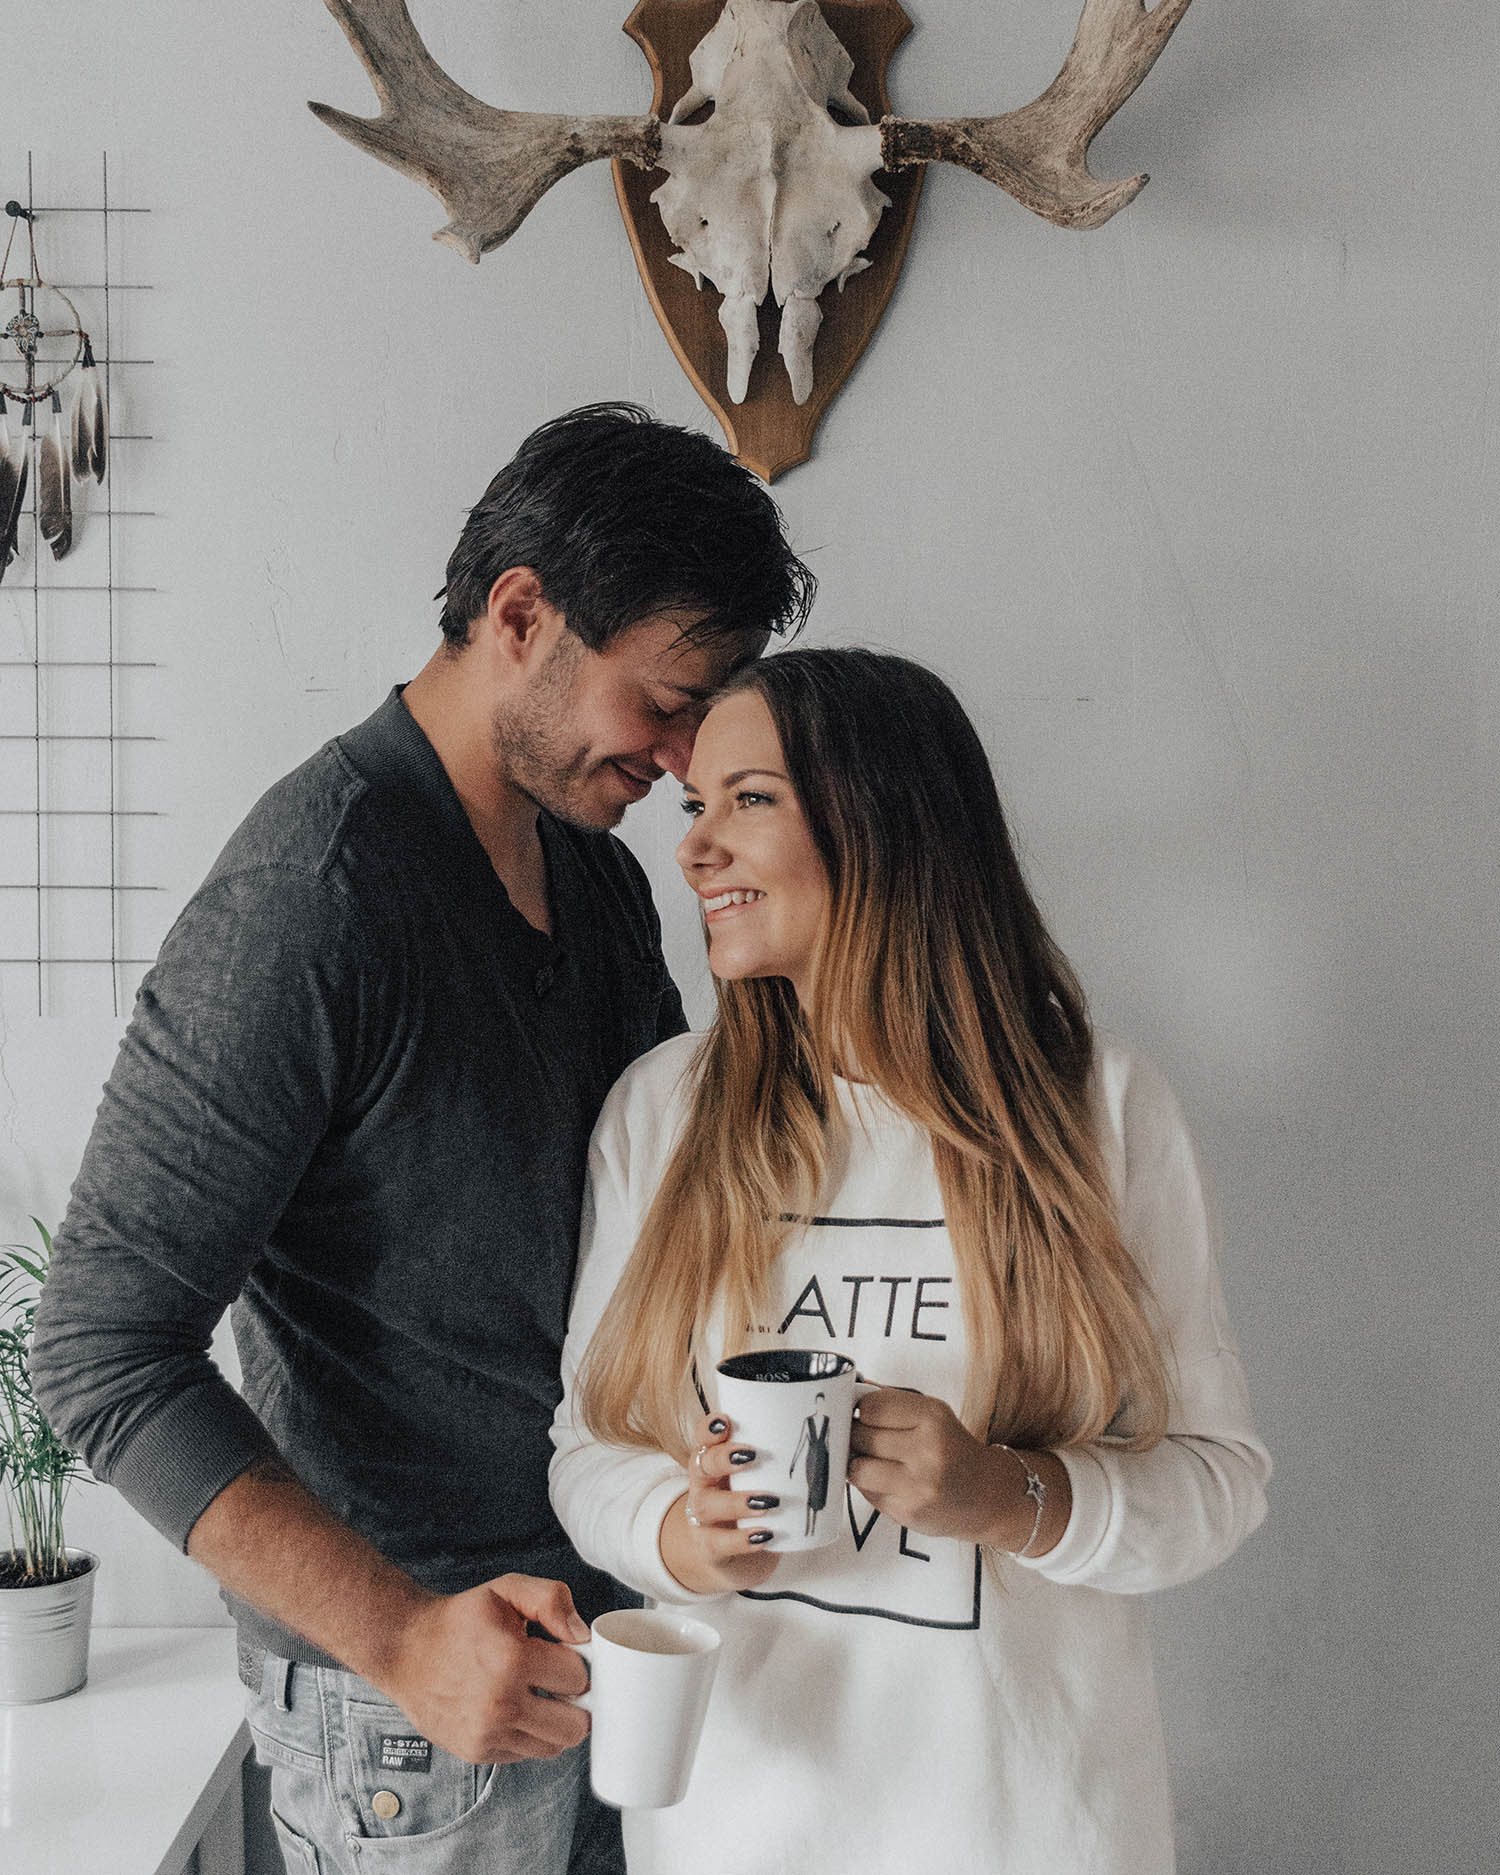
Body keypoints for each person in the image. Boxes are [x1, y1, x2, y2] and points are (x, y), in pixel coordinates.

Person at [30, 404, 813, 1875]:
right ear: (521, 614)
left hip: (616, 1634)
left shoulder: (589, 873)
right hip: (414, 1715)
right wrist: (399, 1635)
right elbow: (96, 1350)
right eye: (664, 697)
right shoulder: (310, 897)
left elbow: (661, 1206)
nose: (683, 750)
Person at [550, 647, 1271, 1875]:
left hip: (1029, 1833)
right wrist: (683, 1534)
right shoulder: (661, 1113)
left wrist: (1004, 1494)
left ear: (883, 820)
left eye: (749, 799)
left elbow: (1216, 1487)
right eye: (693, 806)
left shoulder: (1095, 1111)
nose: (694, 848)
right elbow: (587, 1450)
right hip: (735, 1829)